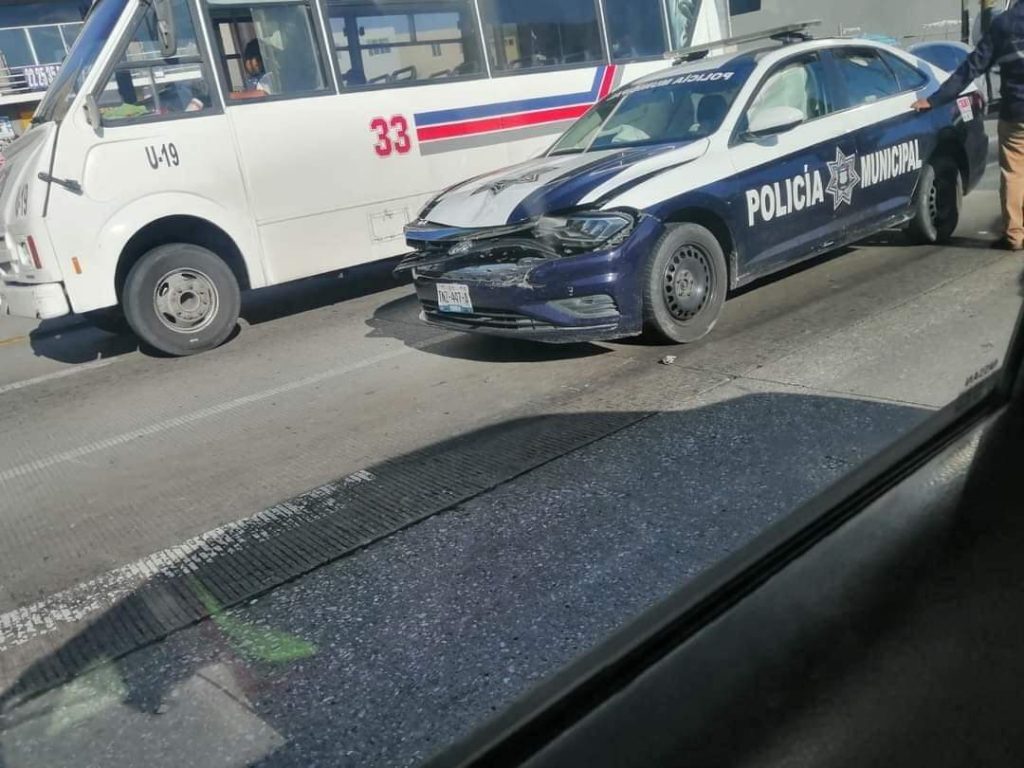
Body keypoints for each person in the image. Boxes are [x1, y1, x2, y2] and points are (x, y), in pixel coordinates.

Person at [914, 0, 1024, 251]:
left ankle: (1015, 234)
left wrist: (935, 99)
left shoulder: (1004, 24)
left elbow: (972, 67)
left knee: (1014, 174)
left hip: (1016, 112)